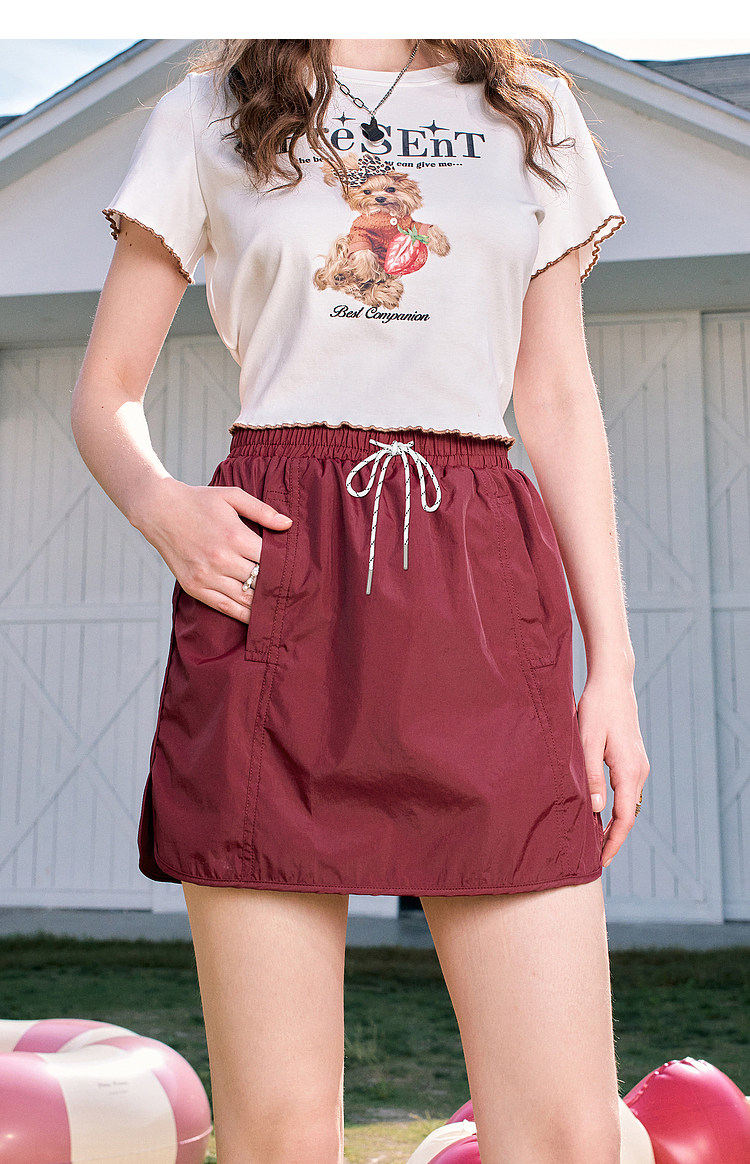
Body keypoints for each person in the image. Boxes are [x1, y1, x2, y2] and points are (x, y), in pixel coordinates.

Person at [71, 37, 651, 1164]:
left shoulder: (533, 111)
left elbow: (557, 397)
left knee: (566, 1133)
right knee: (279, 1135)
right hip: (279, 579)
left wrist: (613, 669)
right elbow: (107, 389)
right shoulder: (208, 110)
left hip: (479, 581)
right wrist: (161, 505)